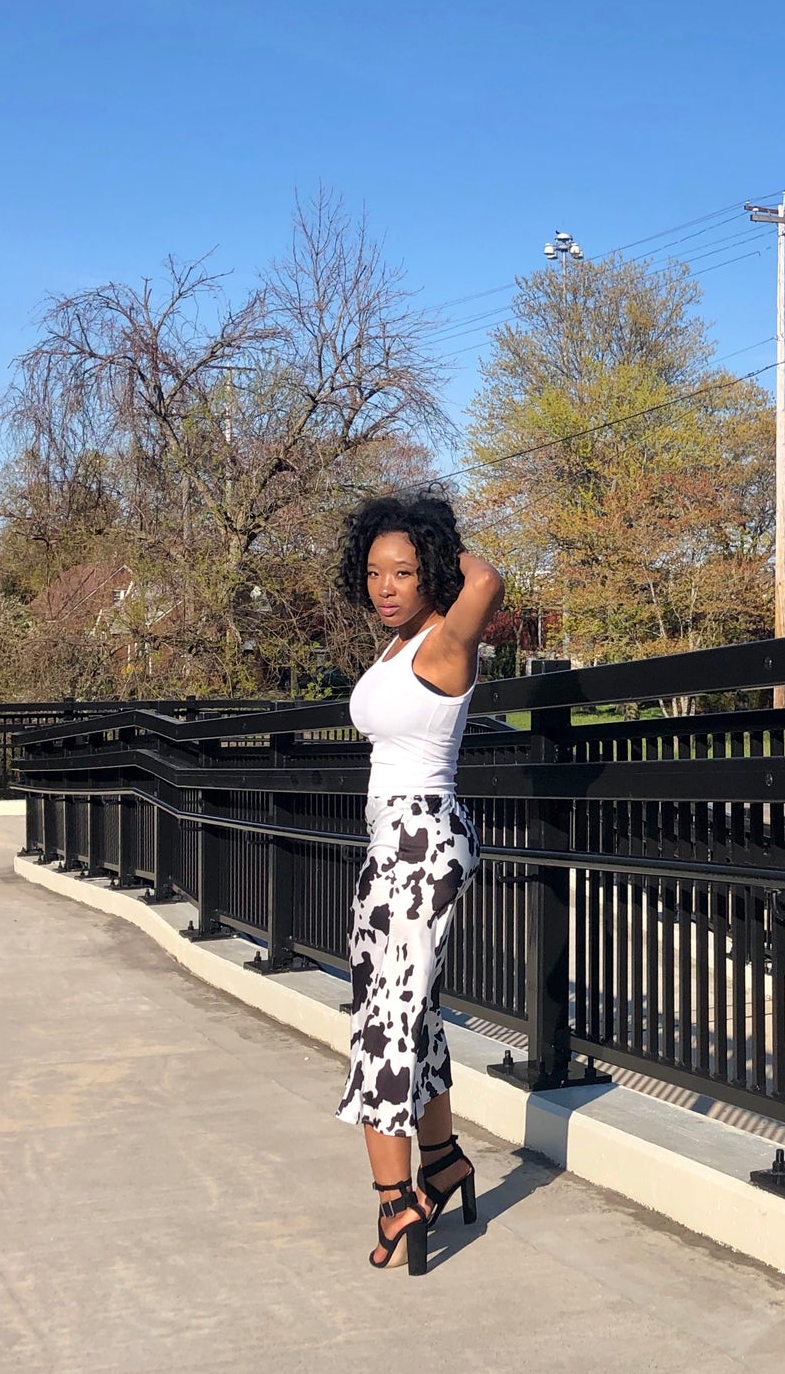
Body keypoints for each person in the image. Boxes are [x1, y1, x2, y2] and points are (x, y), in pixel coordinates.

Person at [332, 489, 504, 1273]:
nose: (386, 586)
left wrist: (440, 542)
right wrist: (414, 545)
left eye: (404, 571)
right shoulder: (398, 647)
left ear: (433, 570)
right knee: (411, 1008)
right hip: (396, 839)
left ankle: (396, 1198)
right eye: (375, 572)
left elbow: (488, 581)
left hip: (420, 838)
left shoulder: (444, 643)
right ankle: (443, 1162)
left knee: (383, 1020)